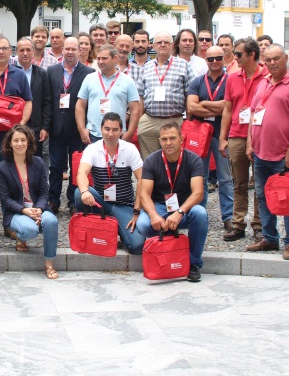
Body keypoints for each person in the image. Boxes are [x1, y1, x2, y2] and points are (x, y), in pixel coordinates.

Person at [246, 44, 289, 260]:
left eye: (276, 58)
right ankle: (269, 238)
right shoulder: (263, 83)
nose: (272, 63)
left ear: (286, 58)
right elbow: (254, 113)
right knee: (263, 197)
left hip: (284, 155)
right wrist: (250, 143)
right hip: (260, 153)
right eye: (269, 59)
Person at [137, 122, 208, 282]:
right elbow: (144, 194)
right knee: (143, 225)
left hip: (184, 206)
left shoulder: (194, 160)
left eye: (172, 138)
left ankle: (193, 264)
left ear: (181, 139)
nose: (168, 143)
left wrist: (180, 212)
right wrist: (154, 215)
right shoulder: (151, 160)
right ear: (159, 140)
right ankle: (170, 240)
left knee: (200, 213)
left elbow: (198, 193)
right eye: (164, 139)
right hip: (160, 205)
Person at [74, 113, 146, 254]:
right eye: (107, 129)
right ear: (101, 129)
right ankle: (92, 228)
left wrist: (137, 211)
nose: (110, 134)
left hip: (123, 204)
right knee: (78, 193)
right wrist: (84, 191)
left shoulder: (130, 149)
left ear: (121, 131)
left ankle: (113, 228)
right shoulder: (92, 149)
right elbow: (81, 173)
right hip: (100, 202)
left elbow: (142, 180)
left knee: (137, 246)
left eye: (115, 130)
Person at [218, 38, 267, 242]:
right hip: (237, 134)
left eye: (238, 54)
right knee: (238, 182)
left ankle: (259, 224)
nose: (234, 57)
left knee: (260, 183)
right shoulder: (232, 77)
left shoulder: (266, 76)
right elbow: (228, 109)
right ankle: (238, 223)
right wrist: (223, 137)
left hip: (259, 134)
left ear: (251, 55)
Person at [0, 125, 59, 279]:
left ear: (29, 142)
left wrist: (39, 208)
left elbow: (44, 192)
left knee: (51, 221)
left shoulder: (37, 163)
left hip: (38, 208)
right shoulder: (2, 167)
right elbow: (5, 199)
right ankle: (19, 235)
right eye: (16, 140)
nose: (19, 144)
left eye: (23, 140)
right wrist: (24, 211)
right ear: (10, 143)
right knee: (29, 230)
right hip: (17, 211)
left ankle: (49, 262)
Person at [186, 46, 233, 229]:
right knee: (200, 176)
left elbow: (229, 107)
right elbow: (192, 108)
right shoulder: (197, 82)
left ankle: (228, 217)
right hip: (200, 134)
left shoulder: (231, 81)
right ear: (206, 60)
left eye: (218, 58)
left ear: (224, 58)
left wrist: (204, 103)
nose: (215, 62)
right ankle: (200, 214)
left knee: (225, 177)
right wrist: (218, 106)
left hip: (223, 133)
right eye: (211, 59)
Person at [48, 36, 95, 214]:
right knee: (55, 167)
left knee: (77, 165)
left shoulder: (89, 72)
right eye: (67, 48)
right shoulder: (51, 71)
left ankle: (73, 200)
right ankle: (53, 200)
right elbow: (48, 100)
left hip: (77, 128)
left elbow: (88, 103)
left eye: (73, 49)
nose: (69, 52)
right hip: (57, 127)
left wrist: (85, 127)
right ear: (62, 49)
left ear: (79, 50)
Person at [136, 31, 195, 159]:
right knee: (150, 160)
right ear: (153, 46)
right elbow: (140, 96)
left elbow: (190, 94)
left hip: (173, 119)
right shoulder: (147, 67)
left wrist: (188, 121)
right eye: (159, 42)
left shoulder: (183, 65)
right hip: (149, 120)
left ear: (172, 45)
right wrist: (141, 119)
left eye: (166, 42)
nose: (162, 45)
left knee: (173, 158)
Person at [76, 45, 140, 144]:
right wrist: (82, 130)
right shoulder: (89, 78)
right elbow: (80, 105)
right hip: (93, 135)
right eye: (98, 58)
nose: (100, 62)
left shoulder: (127, 81)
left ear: (115, 59)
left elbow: (135, 109)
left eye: (104, 58)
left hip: (118, 135)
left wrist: (130, 133)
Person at [14, 37, 51, 159]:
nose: (25, 53)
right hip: (13, 125)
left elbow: (47, 101)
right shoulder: (10, 72)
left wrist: (45, 127)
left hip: (35, 127)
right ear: (16, 52)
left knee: (34, 161)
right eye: (22, 50)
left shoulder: (41, 73)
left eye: (28, 50)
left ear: (33, 52)